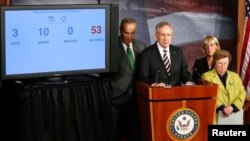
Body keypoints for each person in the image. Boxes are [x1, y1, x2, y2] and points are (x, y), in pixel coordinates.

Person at [109, 17, 146, 141]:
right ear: (120, 30)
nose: (129, 37)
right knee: (115, 134)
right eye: (126, 33)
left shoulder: (141, 46)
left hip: (136, 97)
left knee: (136, 133)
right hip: (116, 98)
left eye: (132, 33)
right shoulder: (110, 47)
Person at [137, 21, 193, 87]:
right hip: (157, 93)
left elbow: (184, 72)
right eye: (163, 35)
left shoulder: (178, 52)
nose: (166, 38)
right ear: (156, 36)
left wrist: (189, 82)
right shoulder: (146, 53)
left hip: (177, 93)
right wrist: (154, 84)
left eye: (168, 35)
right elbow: (142, 77)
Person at [201, 49, 246, 124]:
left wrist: (232, 107)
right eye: (220, 63)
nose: (223, 66)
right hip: (216, 116)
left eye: (225, 63)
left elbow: (242, 93)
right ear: (215, 63)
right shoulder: (206, 77)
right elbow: (209, 96)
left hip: (234, 114)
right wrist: (222, 108)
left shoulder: (235, 76)